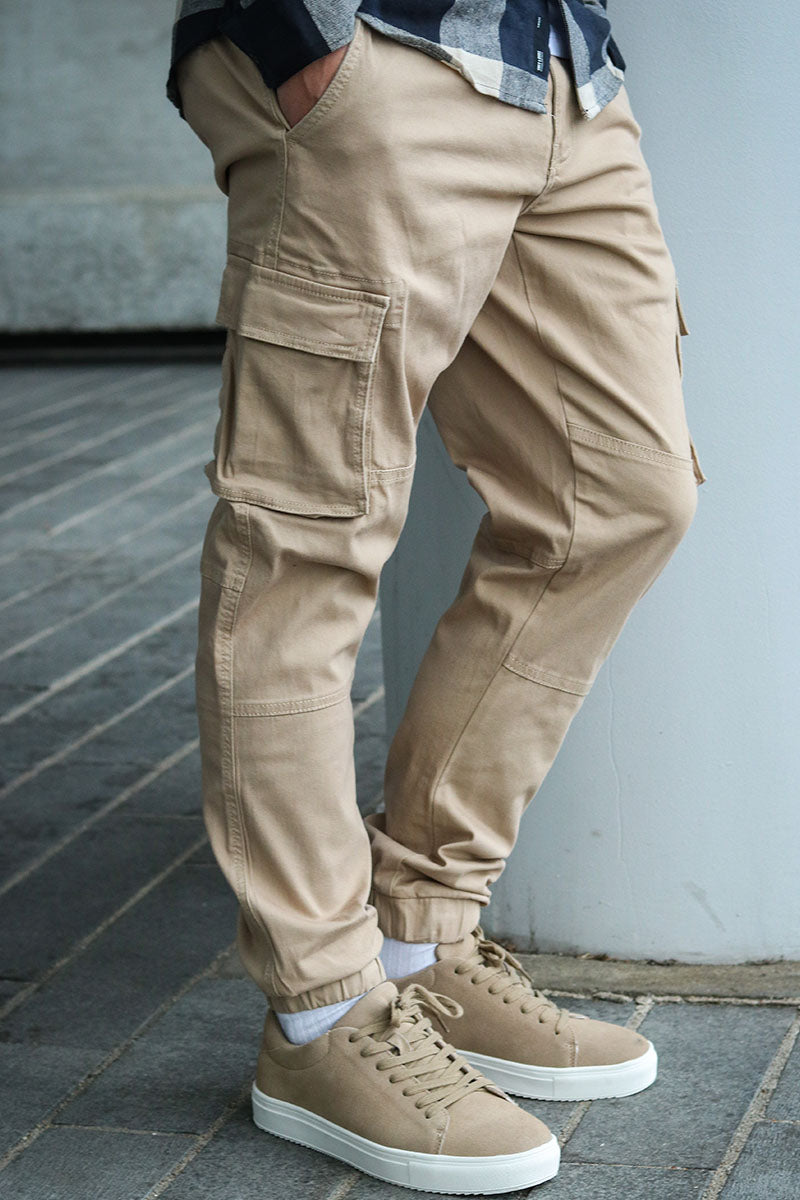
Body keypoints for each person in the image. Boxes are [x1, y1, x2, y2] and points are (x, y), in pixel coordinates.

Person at [168, 1, 705, 1192]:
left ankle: (419, 934)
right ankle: (320, 1016)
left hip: (558, 66)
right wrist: (292, 33)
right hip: (369, 47)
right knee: (305, 544)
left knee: (618, 496)